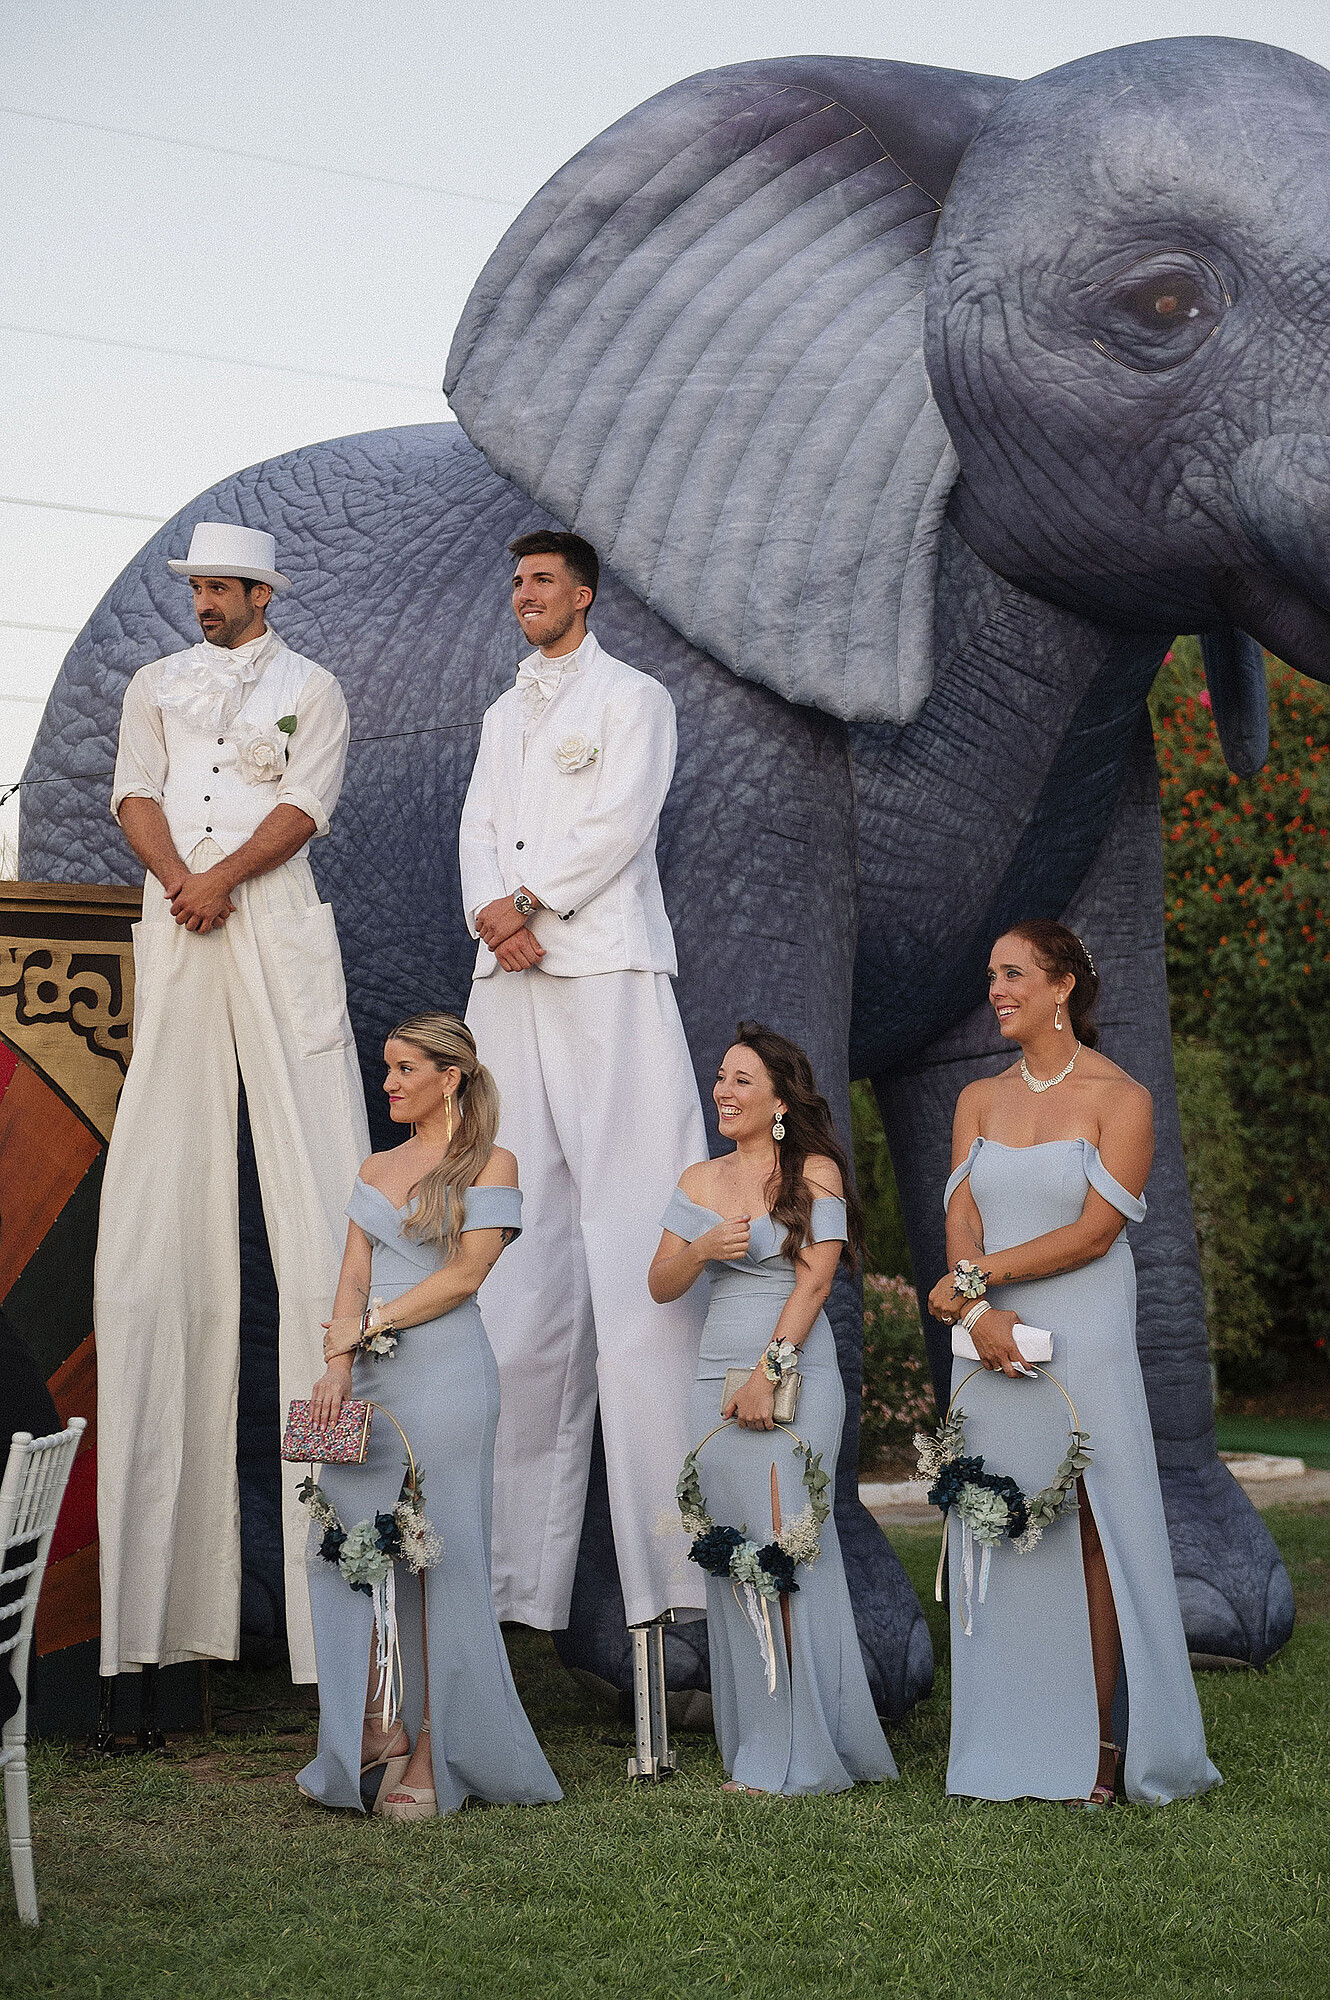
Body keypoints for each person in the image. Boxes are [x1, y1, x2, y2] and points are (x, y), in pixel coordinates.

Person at [96, 521, 369, 1688]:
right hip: (181, 917)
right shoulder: (156, 685)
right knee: (165, 1209)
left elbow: (303, 807)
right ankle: (163, 1604)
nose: (204, 598)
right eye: (197, 583)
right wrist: (180, 883)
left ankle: (343, 1598)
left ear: (260, 592)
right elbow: (133, 792)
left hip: (270, 915)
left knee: (316, 1199)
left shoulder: (314, 686)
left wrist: (220, 880)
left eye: (220, 584)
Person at [458, 530, 709, 1644]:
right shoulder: (499, 713)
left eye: (542, 581)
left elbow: (621, 821)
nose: (526, 596)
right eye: (516, 582)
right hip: (505, 978)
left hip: (603, 962)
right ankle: (508, 1579)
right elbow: (473, 827)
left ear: (584, 593)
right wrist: (492, 916)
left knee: (634, 1244)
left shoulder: (635, 697)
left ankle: (684, 1578)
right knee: (511, 1258)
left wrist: (532, 902)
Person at [927, 921, 1220, 1807]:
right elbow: (963, 1215)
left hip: (1081, 1334)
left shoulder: (1120, 1098)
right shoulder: (975, 1098)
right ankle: (1001, 1745)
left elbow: (1096, 1233)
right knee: (997, 1523)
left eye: (1013, 974)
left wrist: (978, 1282)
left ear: (1062, 987)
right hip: (988, 1338)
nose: (997, 990)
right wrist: (980, 1314)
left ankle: (1096, 1752)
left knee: (1091, 1529)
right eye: (991, 976)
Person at [297, 1014, 561, 1819]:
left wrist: (371, 1327)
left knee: (440, 1558)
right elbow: (352, 1274)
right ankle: (377, 1724)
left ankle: (439, 1752)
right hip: (369, 1383)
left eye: (405, 1068)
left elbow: (466, 1275)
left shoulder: (493, 1162)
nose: (390, 1083)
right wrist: (336, 1368)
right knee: (344, 1545)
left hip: (447, 1378)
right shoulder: (376, 1166)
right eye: (388, 1069)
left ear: (450, 1077)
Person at [649, 1022, 898, 1796]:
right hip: (712, 1376)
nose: (724, 1091)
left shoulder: (813, 1170)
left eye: (743, 1080)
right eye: (721, 1078)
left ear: (782, 1099)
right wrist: (700, 1252)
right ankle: (765, 1738)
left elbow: (816, 1283)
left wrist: (768, 1371)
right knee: (732, 1551)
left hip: (792, 1372)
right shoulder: (698, 1180)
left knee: (788, 1546)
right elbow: (660, 1283)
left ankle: (806, 1750)